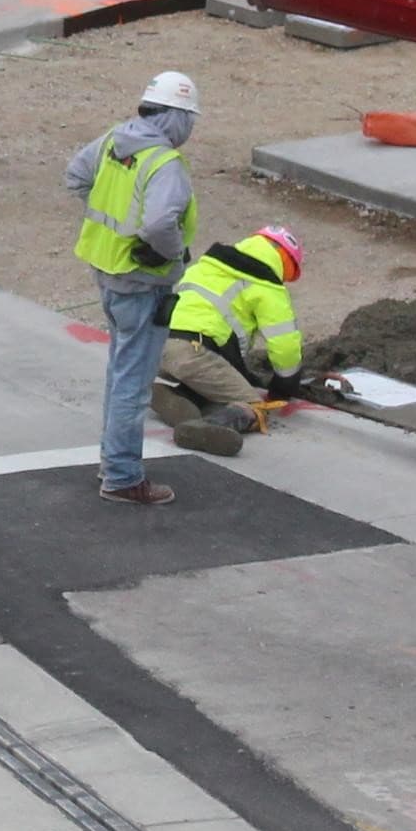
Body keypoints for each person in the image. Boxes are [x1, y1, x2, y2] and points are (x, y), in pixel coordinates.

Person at [67, 70, 201, 508]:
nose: (190, 131)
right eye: (189, 120)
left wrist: (119, 230)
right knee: (132, 383)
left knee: (120, 372)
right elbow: (161, 222)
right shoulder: (164, 163)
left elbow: (76, 176)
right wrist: (172, 253)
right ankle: (123, 476)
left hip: (108, 273)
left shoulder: (115, 141)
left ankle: (113, 463)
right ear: (175, 118)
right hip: (143, 285)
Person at [156, 225, 312, 458]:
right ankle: (210, 426)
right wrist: (283, 389)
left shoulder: (207, 266)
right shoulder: (267, 286)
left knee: (215, 383)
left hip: (157, 347)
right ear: (286, 263)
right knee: (253, 406)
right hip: (194, 353)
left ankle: (179, 398)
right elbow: (285, 348)